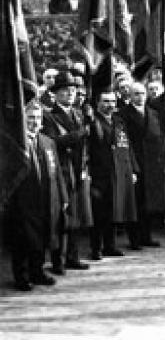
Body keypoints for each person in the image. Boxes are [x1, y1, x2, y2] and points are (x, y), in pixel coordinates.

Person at [7, 101, 68, 291]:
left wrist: (63, 197)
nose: (34, 122)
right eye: (30, 118)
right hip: (22, 199)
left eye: (38, 118)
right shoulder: (14, 144)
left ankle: (38, 271)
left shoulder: (48, 142)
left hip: (47, 198)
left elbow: (57, 172)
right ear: (23, 120)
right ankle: (21, 276)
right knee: (23, 239)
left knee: (42, 236)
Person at [41, 71, 92, 275]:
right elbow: (54, 142)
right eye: (65, 91)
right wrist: (80, 133)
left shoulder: (78, 114)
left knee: (76, 215)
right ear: (56, 94)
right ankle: (58, 261)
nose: (70, 94)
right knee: (62, 217)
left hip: (78, 169)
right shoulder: (50, 116)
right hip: (61, 171)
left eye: (72, 90)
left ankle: (73, 256)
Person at [87, 91, 139, 259]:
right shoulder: (92, 121)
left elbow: (127, 146)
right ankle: (96, 248)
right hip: (99, 173)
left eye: (112, 101)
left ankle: (110, 246)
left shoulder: (119, 121)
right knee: (98, 213)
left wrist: (132, 169)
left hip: (118, 172)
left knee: (113, 210)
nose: (109, 105)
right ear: (98, 102)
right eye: (105, 101)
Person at [119, 82, 165, 249]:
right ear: (130, 96)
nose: (140, 97)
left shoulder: (154, 114)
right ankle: (135, 239)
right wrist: (131, 165)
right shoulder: (123, 114)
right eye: (136, 94)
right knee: (135, 203)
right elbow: (124, 141)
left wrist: (164, 159)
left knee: (149, 203)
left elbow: (161, 138)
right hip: (135, 163)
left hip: (153, 164)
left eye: (142, 93)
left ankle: (147, 236)